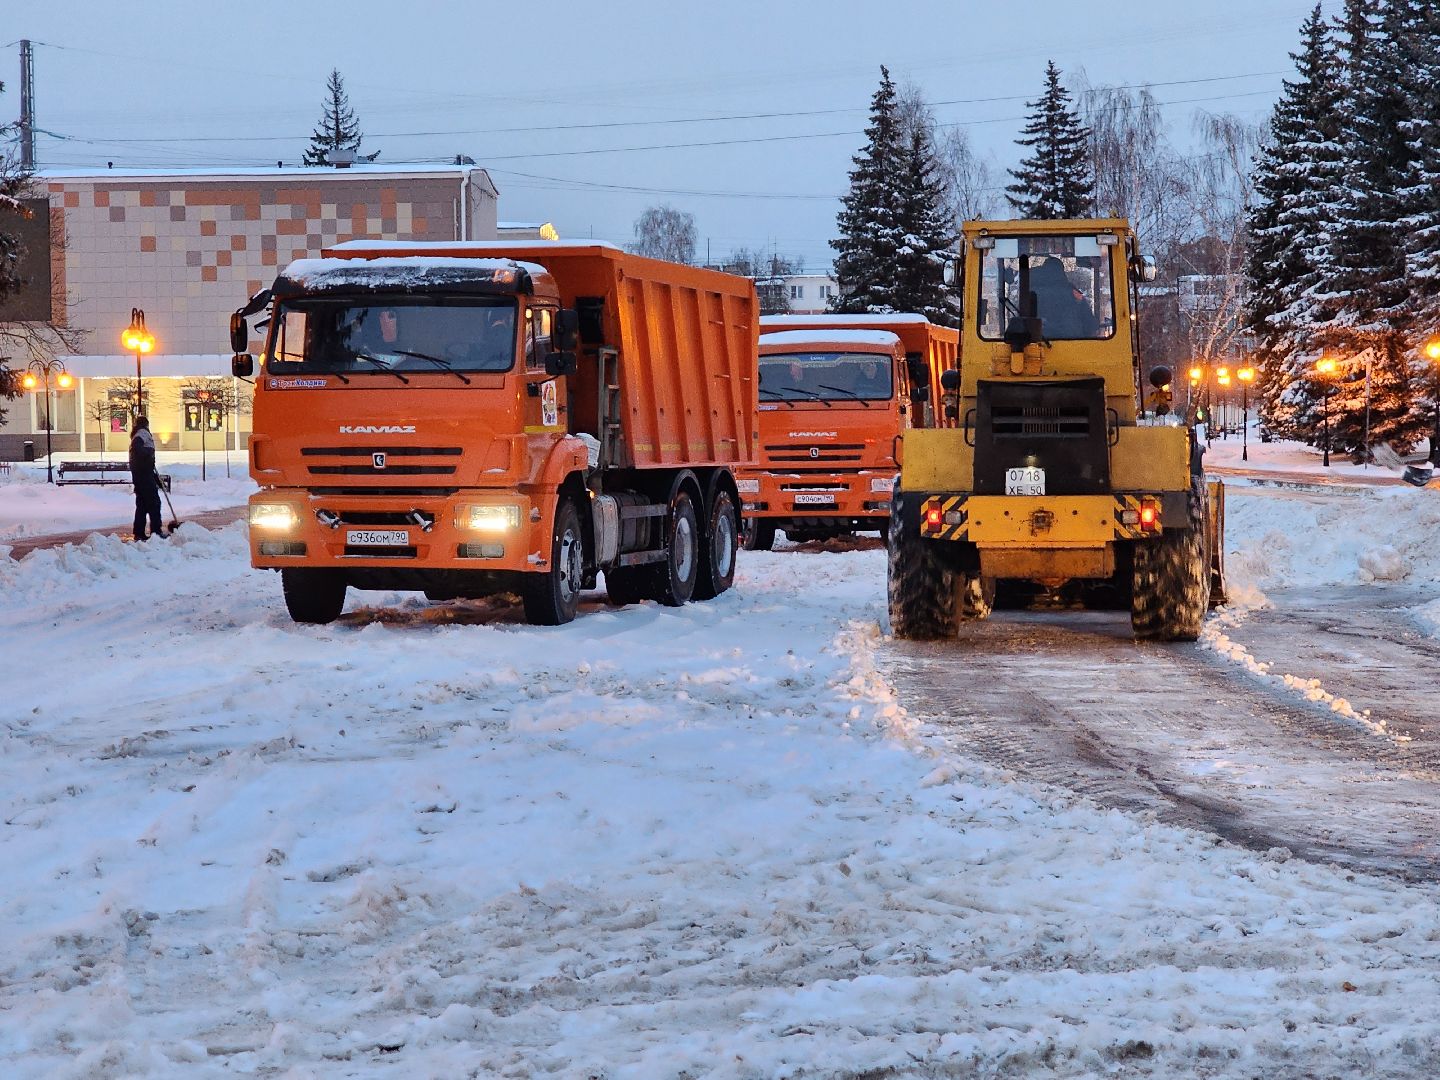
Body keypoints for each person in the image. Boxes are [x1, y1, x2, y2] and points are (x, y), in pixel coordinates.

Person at [1030, 257, 1099, 339]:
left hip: (1036, 341)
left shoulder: (1030, 291)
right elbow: (1090, 324)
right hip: (1073, 341)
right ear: (1061, 272)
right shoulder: (1072, 292)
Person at [128, 414, 166, 541]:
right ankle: (156, 531)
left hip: (140, 474)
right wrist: (148, 455)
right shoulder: (142, 434)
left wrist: (154, 477)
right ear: (146, 424)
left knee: (142, 505)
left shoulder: (137, 434)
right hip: (144, 475)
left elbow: (140, 458)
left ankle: (139, 532)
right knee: (154, 503)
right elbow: (138, 448)